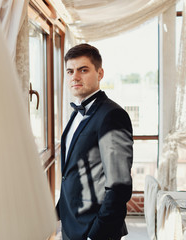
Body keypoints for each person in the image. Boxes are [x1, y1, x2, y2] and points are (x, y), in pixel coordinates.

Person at [56, 43, 133, 240]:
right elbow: (72, 174)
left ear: (100, 73)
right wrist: (57, 216)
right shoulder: (76, 114)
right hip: (71, 225)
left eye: (83, 70)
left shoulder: (113, 115)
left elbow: (119, 186)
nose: (75, 76)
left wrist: (96, 235)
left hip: (95, 230)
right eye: (70, 71)